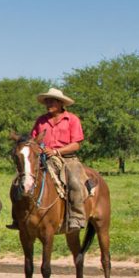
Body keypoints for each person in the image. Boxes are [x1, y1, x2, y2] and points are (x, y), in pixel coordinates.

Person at [12, 87, 88, 232]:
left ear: (60, 103)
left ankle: (76, 217)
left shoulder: (72, 119)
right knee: (19, 181)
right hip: (43, 157)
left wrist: (56, 151)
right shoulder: (41, 120)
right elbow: (33, 140)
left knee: (74, 182)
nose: (48, 104)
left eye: (51, 101)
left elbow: (76, 144)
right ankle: (18, 218)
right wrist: (38, 149)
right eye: (47, 101)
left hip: (66, 159)